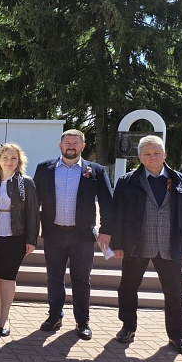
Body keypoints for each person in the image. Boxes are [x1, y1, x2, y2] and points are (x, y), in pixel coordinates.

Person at [104, 135, 182, 357]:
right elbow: (116, 214)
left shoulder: (181, 181)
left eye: (156, 152)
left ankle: (177, 336)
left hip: (171, 245)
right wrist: (117, 244)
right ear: (139, 157)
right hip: (136, 244)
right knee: (127, 288)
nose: (152, 157)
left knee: (175, 292)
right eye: (147, 153)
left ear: (164, 154)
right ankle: (128, 328)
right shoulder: (127, 181)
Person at [34, 129, 113, 340]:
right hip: (53, 234)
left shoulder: (96, 171)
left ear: (83, 146)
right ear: (60, 145)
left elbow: (107, 203)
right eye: (67, 142)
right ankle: (54, 316)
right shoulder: (44, 169)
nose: (71, 146)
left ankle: (82, 321)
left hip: (83, 237)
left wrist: (106, 230)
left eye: (75, 143)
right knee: (54, 278)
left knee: (81, 280)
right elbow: (34, 203)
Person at [0, 143, 39, 337]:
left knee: (8, 276)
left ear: (19, 161)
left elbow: (33, 212)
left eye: (13, 158)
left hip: (15, 235)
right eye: (5, 158)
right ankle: (0, 310)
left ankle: (5, 318)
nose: (9, 161)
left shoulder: (26, 182)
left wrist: (32, 238)